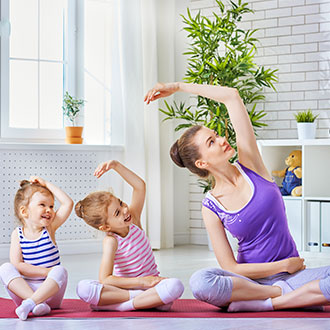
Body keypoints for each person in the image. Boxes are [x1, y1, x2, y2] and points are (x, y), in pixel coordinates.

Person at [144, 82, 330, 312]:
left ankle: (270, 303)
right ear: (202, 163)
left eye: (216, 135)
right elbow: (230, 267)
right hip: (250, 283)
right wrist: (282, 265)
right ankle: (287, 298)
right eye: (211, 142)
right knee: (201, 281)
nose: (222, 139)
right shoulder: (211, 206)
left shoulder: (251, 165)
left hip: (292, 277)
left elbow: (232, 96)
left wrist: (178, 86)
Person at [75, 160, 184, 311]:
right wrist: (142, 282)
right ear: (106, 226)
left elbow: (140, 186)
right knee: (84, 288)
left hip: (150, 287)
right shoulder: (111, 241)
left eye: (121, 203)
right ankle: (137, 301)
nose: (125, 210)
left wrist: (115, 165)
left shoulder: (134, 220)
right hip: (127, 290)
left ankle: (119, 306)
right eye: (117, 213)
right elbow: (105, 279)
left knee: (175, 286)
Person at [0, 177, 73, 320]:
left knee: (60, 271)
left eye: (51, 206)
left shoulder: (50, 228)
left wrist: (47, 184)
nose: (49, 210)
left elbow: (68, 203)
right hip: (24, 291)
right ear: (24, 211)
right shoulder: (17, 234)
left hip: (50, 290)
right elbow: (18, 265)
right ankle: (34, 302)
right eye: (42, 205)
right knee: (5, 268)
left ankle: (31, 303)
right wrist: (46, 271)